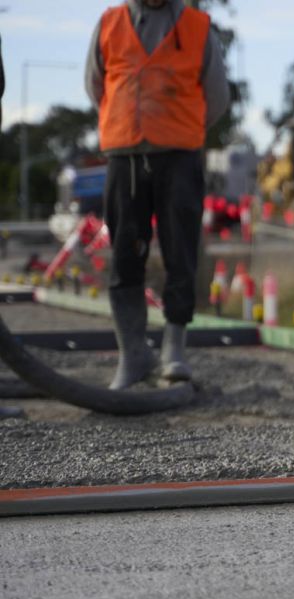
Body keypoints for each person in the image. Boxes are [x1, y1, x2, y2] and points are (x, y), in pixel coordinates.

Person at [85, 0, 230, 389]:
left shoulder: (198, 27)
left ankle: (174, 351)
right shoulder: (109, 24)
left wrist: (175, 127)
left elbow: (216, 98)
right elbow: (96, 86)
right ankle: (133, 353)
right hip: (125, 155)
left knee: (180, 250)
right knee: (124, 254)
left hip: (179, 157)